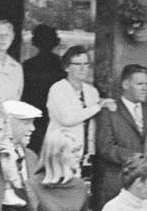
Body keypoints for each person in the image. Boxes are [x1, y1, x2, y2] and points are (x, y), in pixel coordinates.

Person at [93, 65, 147, 211]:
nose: (145, 88)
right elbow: (106, 148)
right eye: (139, 84)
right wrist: (139, 159)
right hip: (117, 181)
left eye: (146, 84)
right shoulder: (109, 111)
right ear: (125, 85)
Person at [47, 47, 114, 179]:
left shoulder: (92, 91)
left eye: (86, 64)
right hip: (61, 153)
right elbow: (67, 118)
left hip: (86, 154)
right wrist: (97, 106)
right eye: (77, 64)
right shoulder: (57, 89)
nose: (83, 68)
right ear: (66, 67)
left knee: (83, 192)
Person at [21, 25, 65, 152]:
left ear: (35, 42)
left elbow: (24, 95)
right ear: (55, 42)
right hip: (55, 119)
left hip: (34, 120)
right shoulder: (61, 65)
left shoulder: (28, 65)